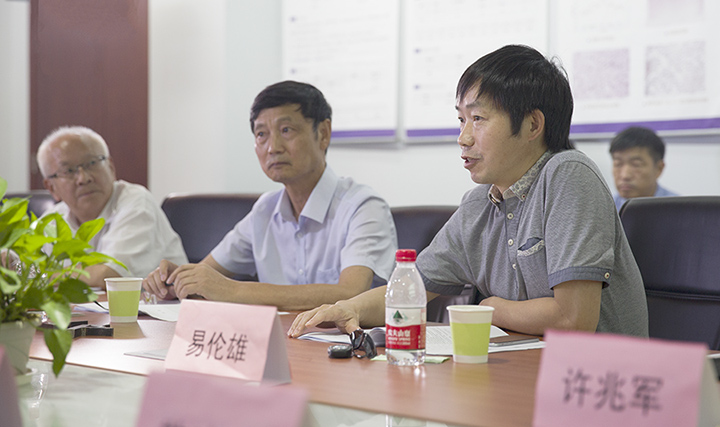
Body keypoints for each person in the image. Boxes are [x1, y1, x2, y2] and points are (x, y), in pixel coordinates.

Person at [289, 45, 648, 339]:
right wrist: (349, 308)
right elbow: (411, 289)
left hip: (597, 386)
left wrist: (490, 308)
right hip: (520, 376)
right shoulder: (479, 205)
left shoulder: (568, 175)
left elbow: (573, 319)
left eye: (478, 119)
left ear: (532, 124)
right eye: (461, 120)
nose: (463, 138)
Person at [143, 80, 397, 311]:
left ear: (323, 134)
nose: (273, 148)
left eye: (286, 130)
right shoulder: (265, 210)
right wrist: (176, 281)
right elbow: (207, 275)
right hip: (278, 340)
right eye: (261, 134)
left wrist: (233, 290)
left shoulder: (363, 207)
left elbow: (352, 293)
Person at [37, 126, 188, 288]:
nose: (83, 178)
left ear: (110, 167)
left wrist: (47, 275)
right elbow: (24, 271)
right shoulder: (53, 219)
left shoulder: (136, 202)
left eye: (91, 163)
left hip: (163, 304)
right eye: (68, 171)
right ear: (51, 187)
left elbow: (110, 275)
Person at [610, 126, 677, 211]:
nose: (625, 175)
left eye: (636, 165)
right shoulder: (606, 208)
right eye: (618, 164)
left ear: (659, 168)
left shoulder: (678, 209)